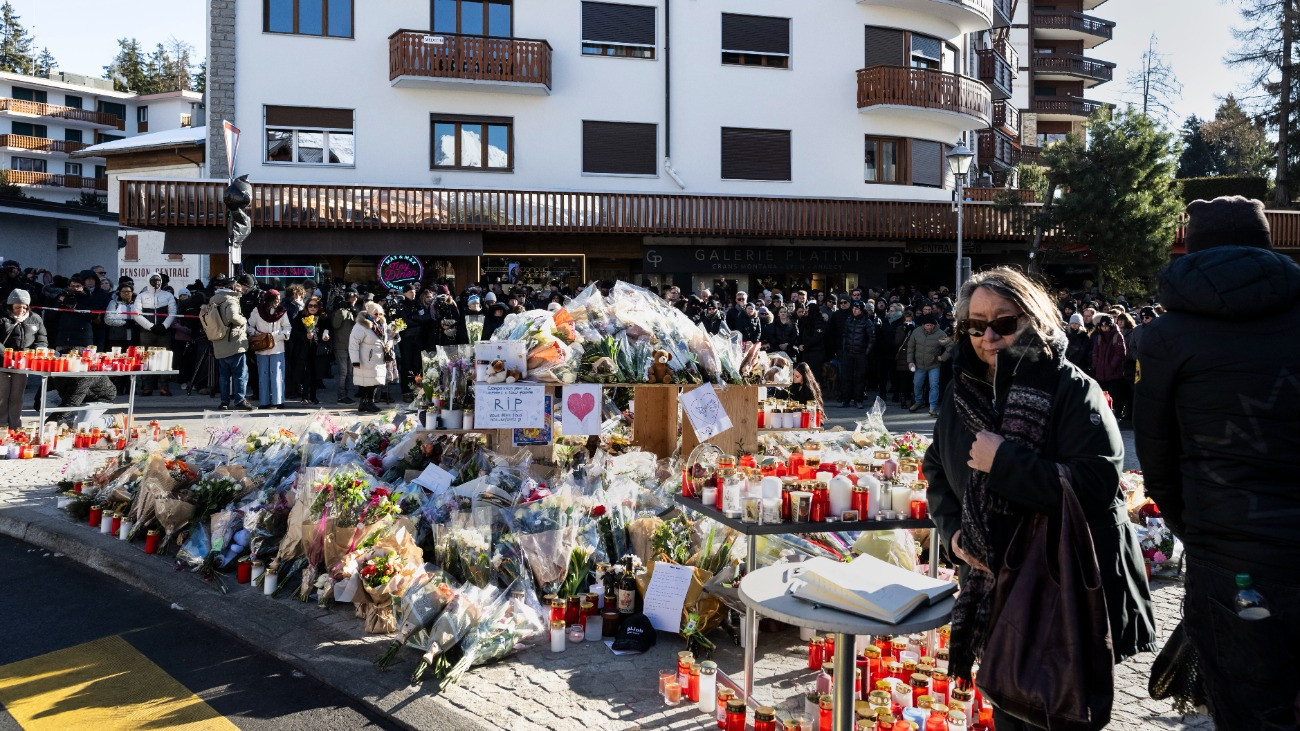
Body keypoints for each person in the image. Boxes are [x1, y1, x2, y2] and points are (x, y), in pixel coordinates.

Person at [923, 267, 1155, 730]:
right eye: (975, 325)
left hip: (1062, 588)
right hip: (995, 586)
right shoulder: (960, 392)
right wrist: (952, 535)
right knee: (1009, 709)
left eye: (1004, 323)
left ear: (1033, 320)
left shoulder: (1072, 388)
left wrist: (1004, 460)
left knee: (1060, 713)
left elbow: (1096, 484)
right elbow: (936, 469)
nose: (988, 336)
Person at [1133, 196, 1300, 730]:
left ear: (1192, 244)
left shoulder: (1165, 337)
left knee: (1247, 708)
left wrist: (1202, 532)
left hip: (1229, 557)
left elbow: (1155, 462)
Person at [207, 275, 255, 411]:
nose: (241, 292)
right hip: (234, 342)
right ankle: (240, 400)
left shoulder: (214, 299)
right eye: (239, 289)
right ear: (234, 289)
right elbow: (233, 316)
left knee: (224, 375)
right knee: (240, 374)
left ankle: (224, 401)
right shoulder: (231, 300)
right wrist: (244, 320)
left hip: (219, 341)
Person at [0, 290, 46, 429]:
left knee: (17, 396)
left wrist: (40, 349)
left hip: (23, 364)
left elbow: (42, 338)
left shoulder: (35, 318)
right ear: (10, 305)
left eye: (24, 307)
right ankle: (2, 426)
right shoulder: (2, 318)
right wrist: (7, 354)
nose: (21, 310)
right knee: (2, 395)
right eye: (17, 307)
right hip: (2, 363)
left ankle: (15, 427)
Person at [133, 273, 177, 396]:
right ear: (149, 281)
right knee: (146, 358)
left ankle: (164, 386)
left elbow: (173, 312)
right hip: (147, 331)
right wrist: (150, 326)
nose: (157, 283)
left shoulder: (168, 295)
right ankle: (147, 386)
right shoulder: (141, 296)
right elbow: (136, 314)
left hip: (164, 331)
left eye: (159, 280)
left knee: (165, 358)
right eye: (154, 280)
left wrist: (165, 326)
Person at [249, 290, 291, 409]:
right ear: (269, 300)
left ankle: (278, 401)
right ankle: (264, 401)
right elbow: (249, 326)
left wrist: (277, 337)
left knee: (277, 374)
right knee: (263, 374)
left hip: (277, 347)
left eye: (279, 299)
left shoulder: (281, 311)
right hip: (261, 347)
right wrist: (257, 334)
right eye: (276, 299)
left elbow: (287, 327)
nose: (278, 301)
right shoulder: (257, 311)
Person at [350, 301, 393, 414]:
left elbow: (387, 338)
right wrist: (355, 361)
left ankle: (368, 403)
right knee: (366, 382)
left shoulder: (381, 324)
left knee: (374, 381)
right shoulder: (361, 325)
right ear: (368, 313)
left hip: (378, 358)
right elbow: (353, 344)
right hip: (366, 358)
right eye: (375, 314)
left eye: (380, 314)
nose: (378, 316)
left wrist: (389, 344)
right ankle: (366, 403)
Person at [906, 314, 951, 417]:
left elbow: (950, 346)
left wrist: (942, 357)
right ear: (923, 325)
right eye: (927, 325)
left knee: (934, 386)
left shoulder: (940, 334)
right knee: (917, 384)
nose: (930, 327)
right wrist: (910, 361)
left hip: (934, 365)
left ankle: (933, 408)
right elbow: (910, 347)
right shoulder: (917, 332)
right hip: (919, 364)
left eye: (931, 325)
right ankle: (918, 402)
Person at [289, 296, 327, 404]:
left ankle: (313, 396)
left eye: (315, 306)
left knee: (315, 373)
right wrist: (305, 336)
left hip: (317, 349)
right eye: (310, 305)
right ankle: (304, 396)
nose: (313, 308)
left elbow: (327, 330)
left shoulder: (323, 317)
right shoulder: (301, 316)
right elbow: (294, 332)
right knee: (304, 373)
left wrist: (325, 335)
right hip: (303, 349)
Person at [838, 300, 875, 408]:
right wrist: (844, 349)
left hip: (861, 354)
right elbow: (844, 335)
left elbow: (872, 339)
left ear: (861, 310)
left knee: (860, 378)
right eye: (853, 308)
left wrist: (866, 353)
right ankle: (846, 400)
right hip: (848, 353)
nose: (854, 310)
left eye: (857, 309)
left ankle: (858, 400)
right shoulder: (849, 320)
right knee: (846, 377)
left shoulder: (867, 322)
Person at [1089, 314, 1127, 419]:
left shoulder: (1117, 336)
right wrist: (1095, 365)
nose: (1104, 328)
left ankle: (1115, 415)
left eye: (1106, 326)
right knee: (1102, 396)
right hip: (1101, 373)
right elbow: (1095, 352)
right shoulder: (1099, 336)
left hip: (1114, 374)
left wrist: (1111, 366)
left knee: (1115, 396)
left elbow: (1120, 354)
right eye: (1102, 326)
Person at [330, 290, 360, 404]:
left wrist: (354, 312)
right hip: (341, 345)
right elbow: (335, 325)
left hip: (352, 346)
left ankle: (346, 395)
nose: (353, 300)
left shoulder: (356, 310)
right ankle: (341, 396)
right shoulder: (341, 311)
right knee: (343, 372)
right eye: (351, 298)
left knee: (349, 372)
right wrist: (341, 311)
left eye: (355, 298)